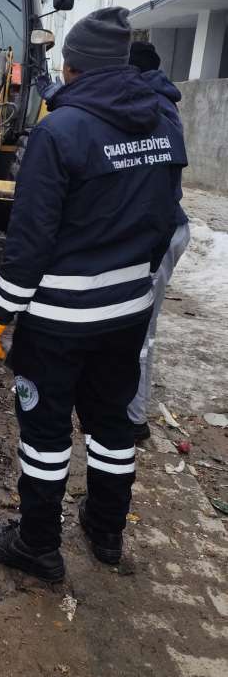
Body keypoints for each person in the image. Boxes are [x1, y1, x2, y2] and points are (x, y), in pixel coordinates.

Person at [0, 8, 187, 583]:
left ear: (71, 68)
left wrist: (2, 312)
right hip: (127, 315)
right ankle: (105, 531)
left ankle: (39, 544)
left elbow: (30, 238)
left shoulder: (59, 132)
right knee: (112, 425)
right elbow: (166, 216)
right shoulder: (164, 124)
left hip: (58, 321)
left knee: (45, 433)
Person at [126, 41, 190, 442]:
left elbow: (160, 191)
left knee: (141, 328)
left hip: (161, 233)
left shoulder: (155, 110)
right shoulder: (155, 102)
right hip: (157, 229)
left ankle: (133, 420)